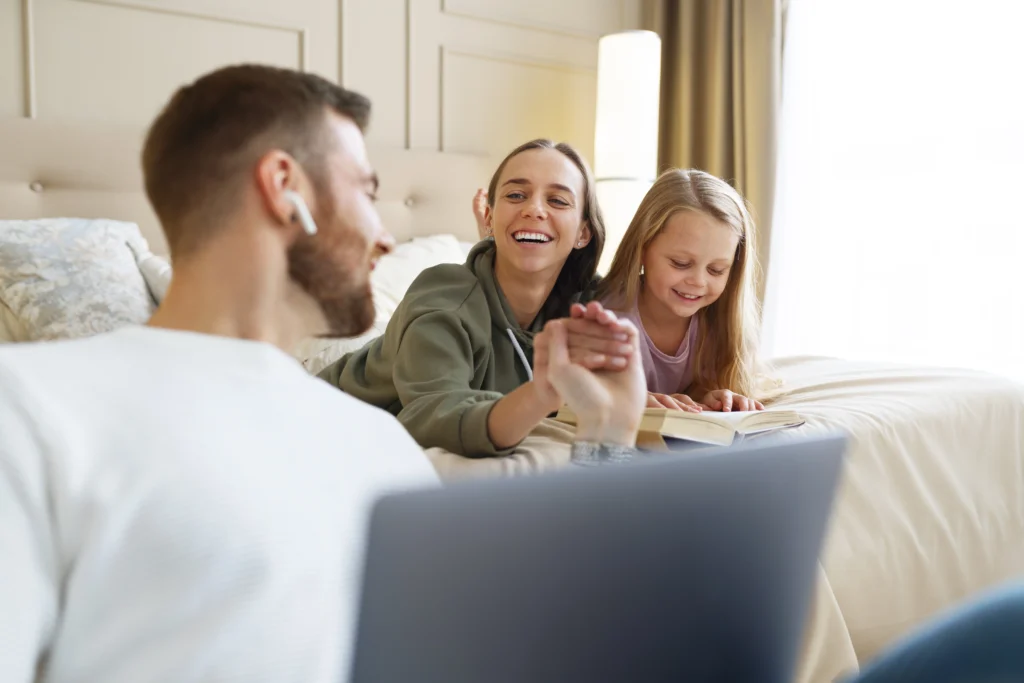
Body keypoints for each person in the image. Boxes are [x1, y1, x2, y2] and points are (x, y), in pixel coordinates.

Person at [0, 65, 639, 683]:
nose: (385, 235)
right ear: (285, 187)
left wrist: (609, 436)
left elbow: (543, 628)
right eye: (365, 191)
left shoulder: (379, 446)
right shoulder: (32, 408)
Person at [319, 139, 614, 458]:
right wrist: (540, 396)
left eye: (557, 200)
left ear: (584, 232)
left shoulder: (589, 305)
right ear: (489, 217)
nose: (533, 209)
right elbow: (432, 415)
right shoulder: (444, 295)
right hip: (323, 415)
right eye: (516, 195)